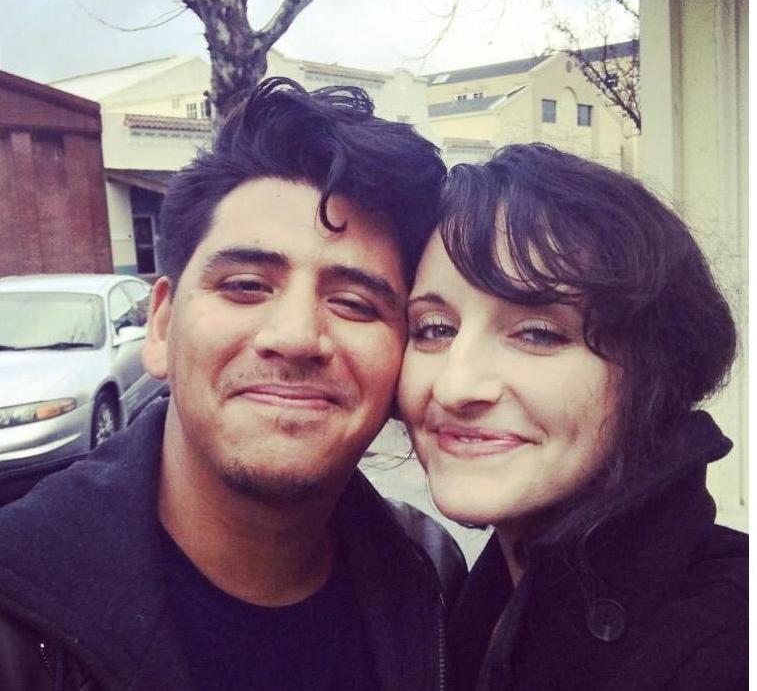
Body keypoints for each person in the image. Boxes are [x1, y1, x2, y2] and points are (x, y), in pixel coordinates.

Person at [0, 78, 466, 690]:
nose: (296, 336)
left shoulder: (430, 575)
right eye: (245, 286)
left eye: (354, 303)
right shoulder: (17, 613)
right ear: (161, 327)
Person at [398, 143, 748, 691]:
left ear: (654, 376)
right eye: (434, 329)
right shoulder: (466, 605)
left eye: (538, 334)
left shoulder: (730, 641)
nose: (455, 386)